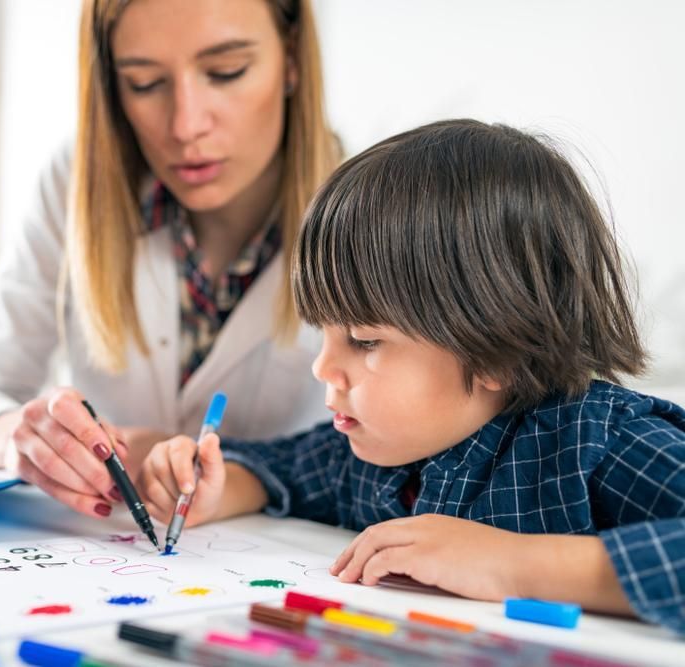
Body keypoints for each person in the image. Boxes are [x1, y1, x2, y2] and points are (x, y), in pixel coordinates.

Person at [139, 119, 685, 633]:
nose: (322, 367)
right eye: (322, 333)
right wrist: (216, 488)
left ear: (497, 351)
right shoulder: (376, 448)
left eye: (365, 341)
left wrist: (512, 564)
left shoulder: (601, 442)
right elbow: (282, 468)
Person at [0, 0, 340, 518]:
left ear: (291, 59)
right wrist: (22, 441)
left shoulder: (379, 212)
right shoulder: (75, 185)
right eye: (145, 83)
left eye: (226, 72)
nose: (185, 125)